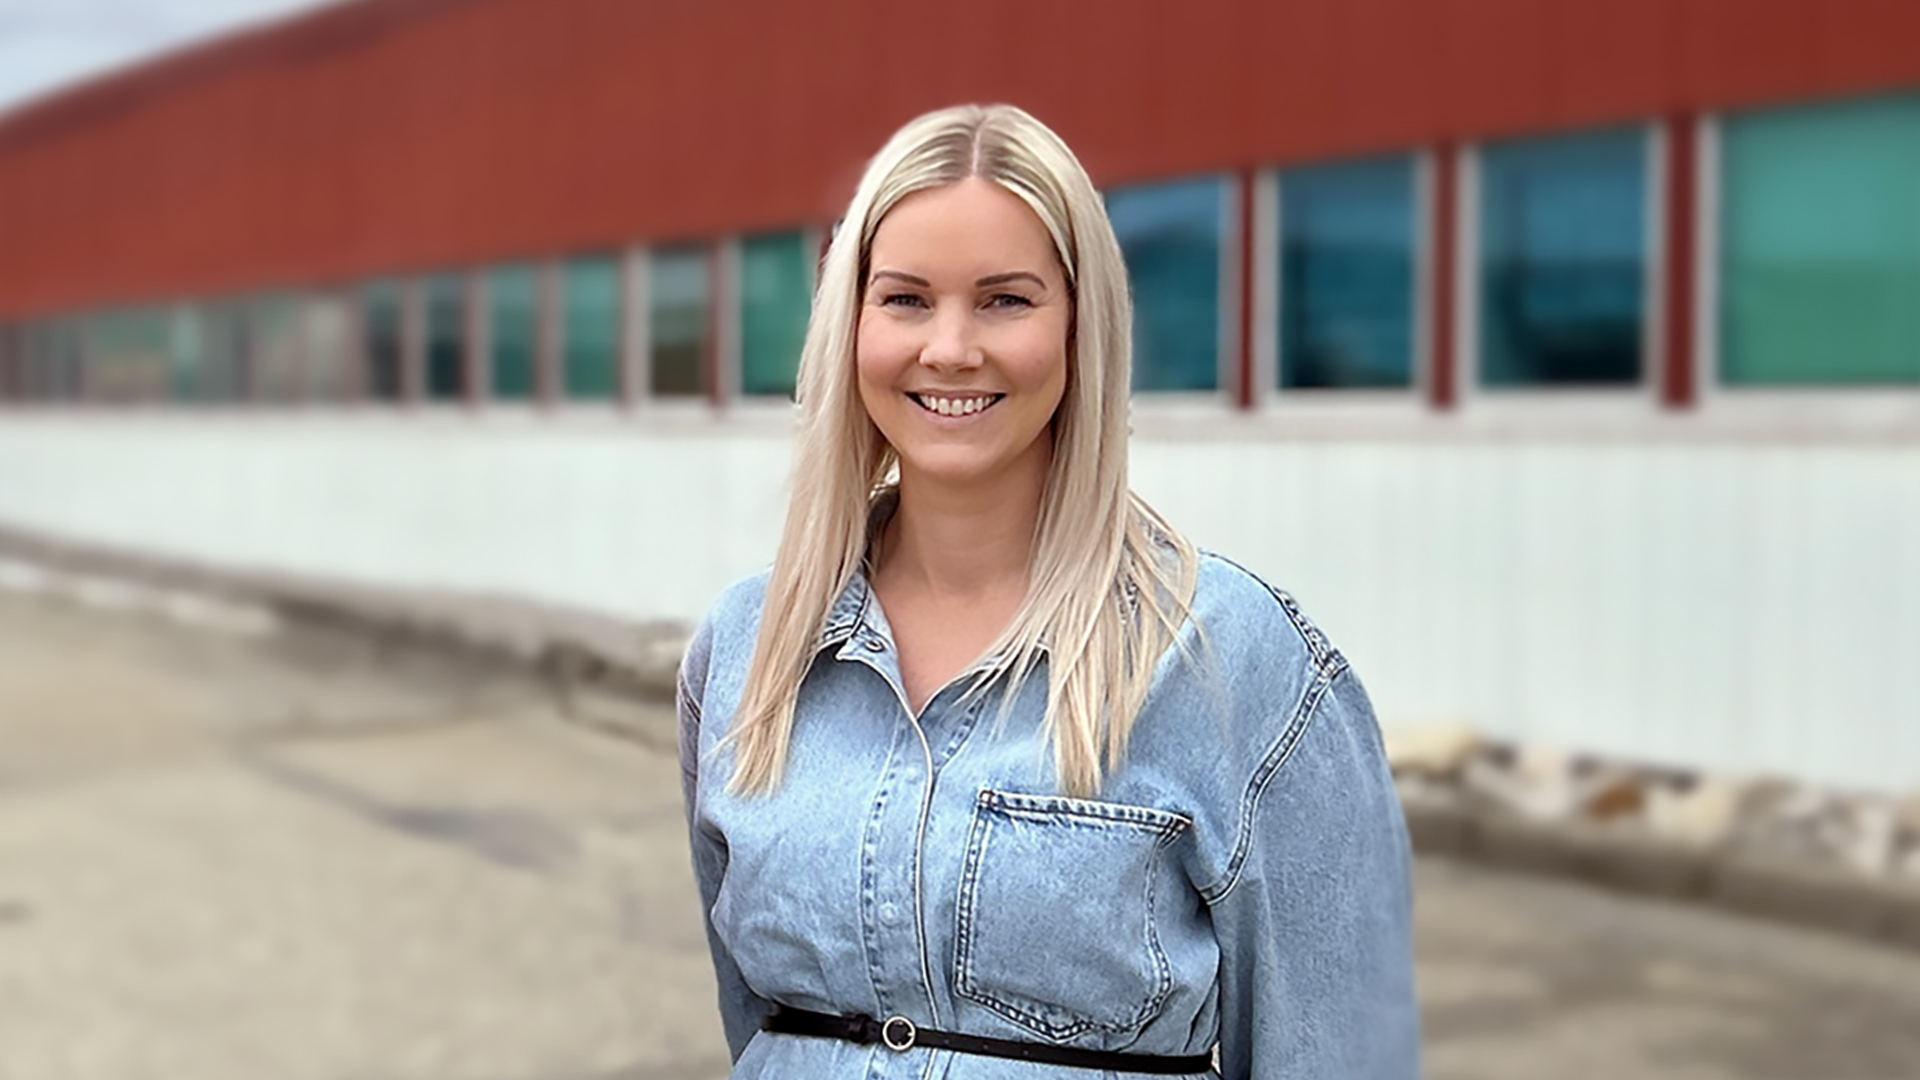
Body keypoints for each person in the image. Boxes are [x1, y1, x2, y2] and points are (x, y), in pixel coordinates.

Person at [677, 103, 1421, 1079]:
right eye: (904, 298)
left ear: (1082, 326)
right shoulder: (748, 644)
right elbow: (762, 1029)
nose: (950, 347)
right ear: (849, 323)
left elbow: (1344, 1050)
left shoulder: (1235, 662)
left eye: (1005, 300)